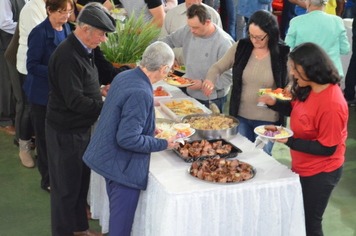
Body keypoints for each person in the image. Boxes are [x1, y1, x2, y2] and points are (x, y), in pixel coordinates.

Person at [83, 41, 179, 236]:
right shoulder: (142, 92)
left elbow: (119, 116)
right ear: (164, 69)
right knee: (121, 229)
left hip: (107, 159)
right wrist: (164, 143)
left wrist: (149, 128)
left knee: (118, 221)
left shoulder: (125, 76)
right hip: (122, 168)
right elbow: (127, 139)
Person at [46, 3, 124, 235]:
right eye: (101, 34)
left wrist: (102, 91)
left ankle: (79, 229)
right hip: (65, 132)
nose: (102, 39)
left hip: (79, 129)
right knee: (65, 189)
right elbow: (75, 101)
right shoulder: (67, 55)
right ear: (85, 29)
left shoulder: (85, 47)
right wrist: (107, 106)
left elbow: (93, 78)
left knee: (79, 184)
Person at [259, 42, 347, 236]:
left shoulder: (332, 104)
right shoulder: (307, 87)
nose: (293, 74)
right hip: (303, 164)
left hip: (322, 172)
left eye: (296, 70)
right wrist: (275, 103)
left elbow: (328, 148)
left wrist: (288, 141)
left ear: (312, 69)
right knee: (298, 214)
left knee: (310, 222)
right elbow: (297, 110)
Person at [202, 10, 290, 155]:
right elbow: (218, 67)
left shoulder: (283, 53)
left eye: (260, 37)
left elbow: (293, 83)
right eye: (251, 35)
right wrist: (210, 80)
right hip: (241, 116)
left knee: (261, 158)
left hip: (268, 121)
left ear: (271, 33)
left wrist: (279, 96)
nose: (254, 41)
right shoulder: (242, 46)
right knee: (241, 155)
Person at [23, 0, 73, 192]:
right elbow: (32, 66)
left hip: (60, 94)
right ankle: (48, 180)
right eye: (61, 12)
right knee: (44, 140)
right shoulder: (39, 32)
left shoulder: (67, 28)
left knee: (59, 139)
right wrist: (57, 71)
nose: (66, 16)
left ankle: (60, 175)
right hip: (42, 95)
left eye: (68, 12)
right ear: (49, 10)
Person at [161, 4, 234, 112]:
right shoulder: (188, 30)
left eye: (195, 27)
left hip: (213, 98)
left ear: (208, 22)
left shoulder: (224, 42)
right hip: (190, 93)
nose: (191, 31)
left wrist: (202, 84)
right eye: (190, 26)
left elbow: (228, 77)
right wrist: (168, 56)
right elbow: (168, 41)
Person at [16, 0, 47, 167]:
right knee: (28, 109)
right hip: (29, 65)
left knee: (39, 109)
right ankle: (24, 148)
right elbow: (42, 34)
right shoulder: (30, 8)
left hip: (42, 64)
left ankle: (39, 148)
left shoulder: (47, 4)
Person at [285, 0, 350, 78]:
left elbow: (287, 48)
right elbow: (345, 50)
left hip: (304, 73)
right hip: (331, 73)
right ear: (325, 3)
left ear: (308, 2)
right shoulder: (337, 21)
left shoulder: (296, 22)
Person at [159, 0, 222, 66]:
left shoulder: (213, 15)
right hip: (175, 69)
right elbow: (162, 43)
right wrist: (169, 59)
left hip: (205, 71)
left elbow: (219, 45)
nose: (193, 1)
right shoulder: (172, 14)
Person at [0, 0, 27, 136]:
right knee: (6, 84)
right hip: (6, 45)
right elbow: (4, 23)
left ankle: (16, 117)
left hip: (20, 44)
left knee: (17, 84)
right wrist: (26, 26)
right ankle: (5, 121)